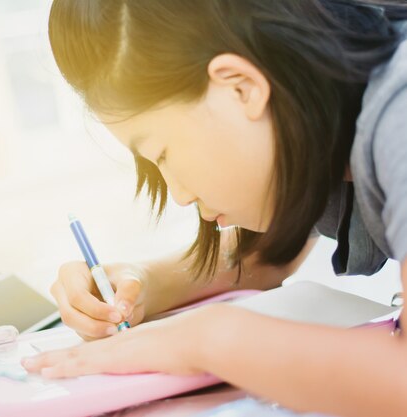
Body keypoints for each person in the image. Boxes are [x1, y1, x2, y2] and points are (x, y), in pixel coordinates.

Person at [21, 1, 407, 416]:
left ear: (241, 87)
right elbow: (269, 257)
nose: (179, 195)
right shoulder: (324, 113)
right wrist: (143, 283)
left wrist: (207, 339)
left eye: (163, 154)